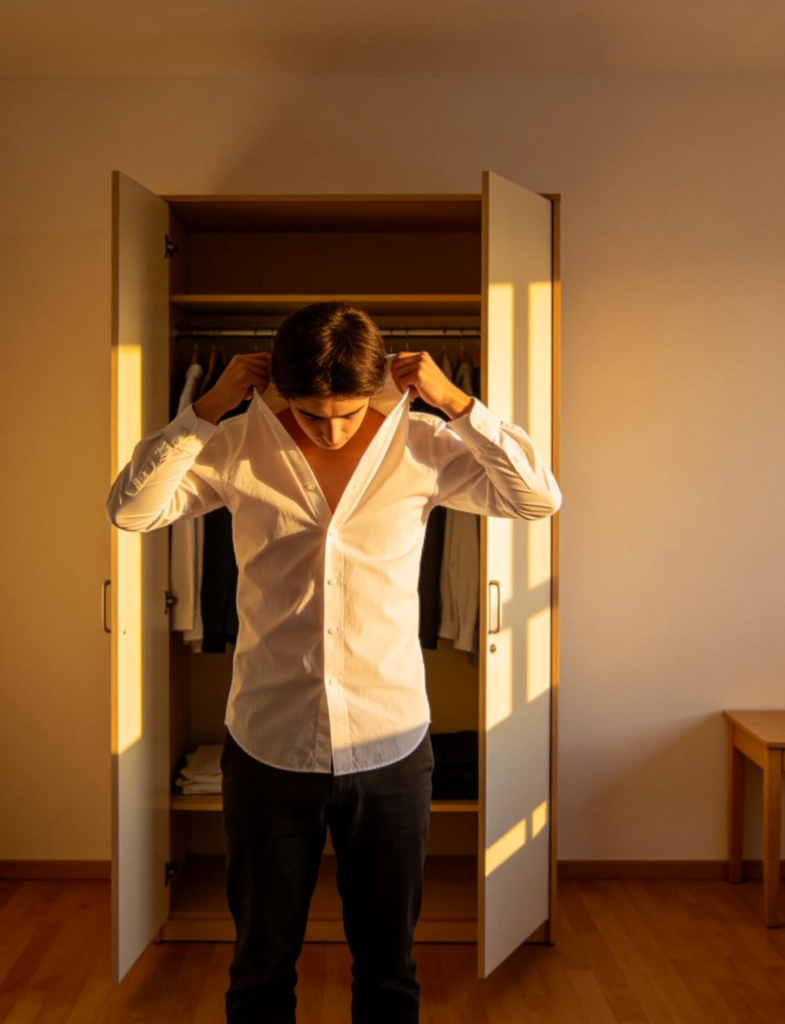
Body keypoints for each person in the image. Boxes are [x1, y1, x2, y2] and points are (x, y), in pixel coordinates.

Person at [105, 301, 561, 1024]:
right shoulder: (233, 446)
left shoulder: (424, 444)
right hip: (268, 742)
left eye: (346, 413)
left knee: (388, 970)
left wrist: (460, 403)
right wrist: (203, 411)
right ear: (279, 390)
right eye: (314, 414)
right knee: (260, 967)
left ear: (378, 386)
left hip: (390, 742)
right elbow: (131, 510)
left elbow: (537, 499)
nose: (331, 429)